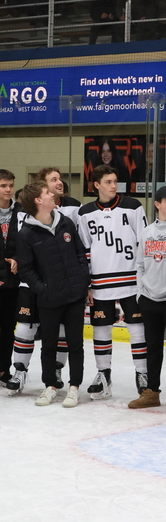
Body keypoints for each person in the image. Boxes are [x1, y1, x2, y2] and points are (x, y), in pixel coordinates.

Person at [6, 166, 81, 396]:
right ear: (40, 194)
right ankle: (21, 371)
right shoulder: (23, 221)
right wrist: (43, 288)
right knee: (28, 331)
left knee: (67, 337)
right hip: (38, 289)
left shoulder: (68, 217)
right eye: (53, 181)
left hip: (67, 289)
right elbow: (22, 260)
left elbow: (79, 252)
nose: (57, 185)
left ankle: (64, 377)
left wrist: (81, 280)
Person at [78, 164, 147, 400]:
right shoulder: (85, 213)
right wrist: (86, 283)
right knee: (101, 328)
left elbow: (144, 243)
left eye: (115, 181)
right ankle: (103, 374)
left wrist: (145, 277)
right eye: (108, 182)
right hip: (100, 281)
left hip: (132, 279)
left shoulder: (133, 206)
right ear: (96, 185)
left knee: (137, 329)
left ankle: (142, 374)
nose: (113, 186)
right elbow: (84, 250)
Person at [129, 186, 166, 413]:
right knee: (152, 347)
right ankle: (152, 391)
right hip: (149, 298)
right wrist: (140, 292)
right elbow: (140, 264)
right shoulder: (147, 232)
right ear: (157, 204)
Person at [0, 168, 20, 387]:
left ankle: (4, 370)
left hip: (13, 284)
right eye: (3, 185)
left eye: (10, 185)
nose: (8, 189)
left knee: (8, 329)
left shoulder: (20, 212)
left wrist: (17, 259)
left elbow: (25, 243)